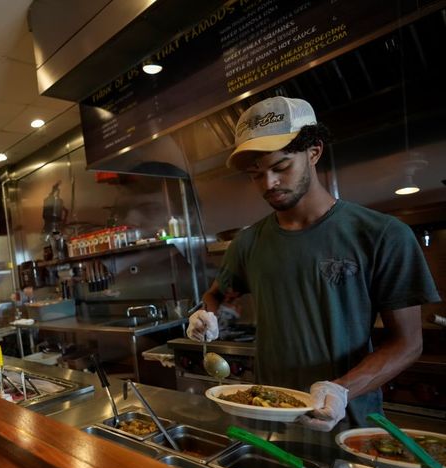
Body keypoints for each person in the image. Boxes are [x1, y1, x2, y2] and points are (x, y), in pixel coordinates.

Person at [187, 96, 439, 432]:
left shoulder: (381, 235)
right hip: (271, 419)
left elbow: (407, 344)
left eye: (281, 168)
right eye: (256, 175)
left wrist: (341, 389)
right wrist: (205, 317)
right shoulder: (248, 242)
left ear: (314, 152)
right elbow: (217, 296)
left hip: (346, 421)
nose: (269, 184)